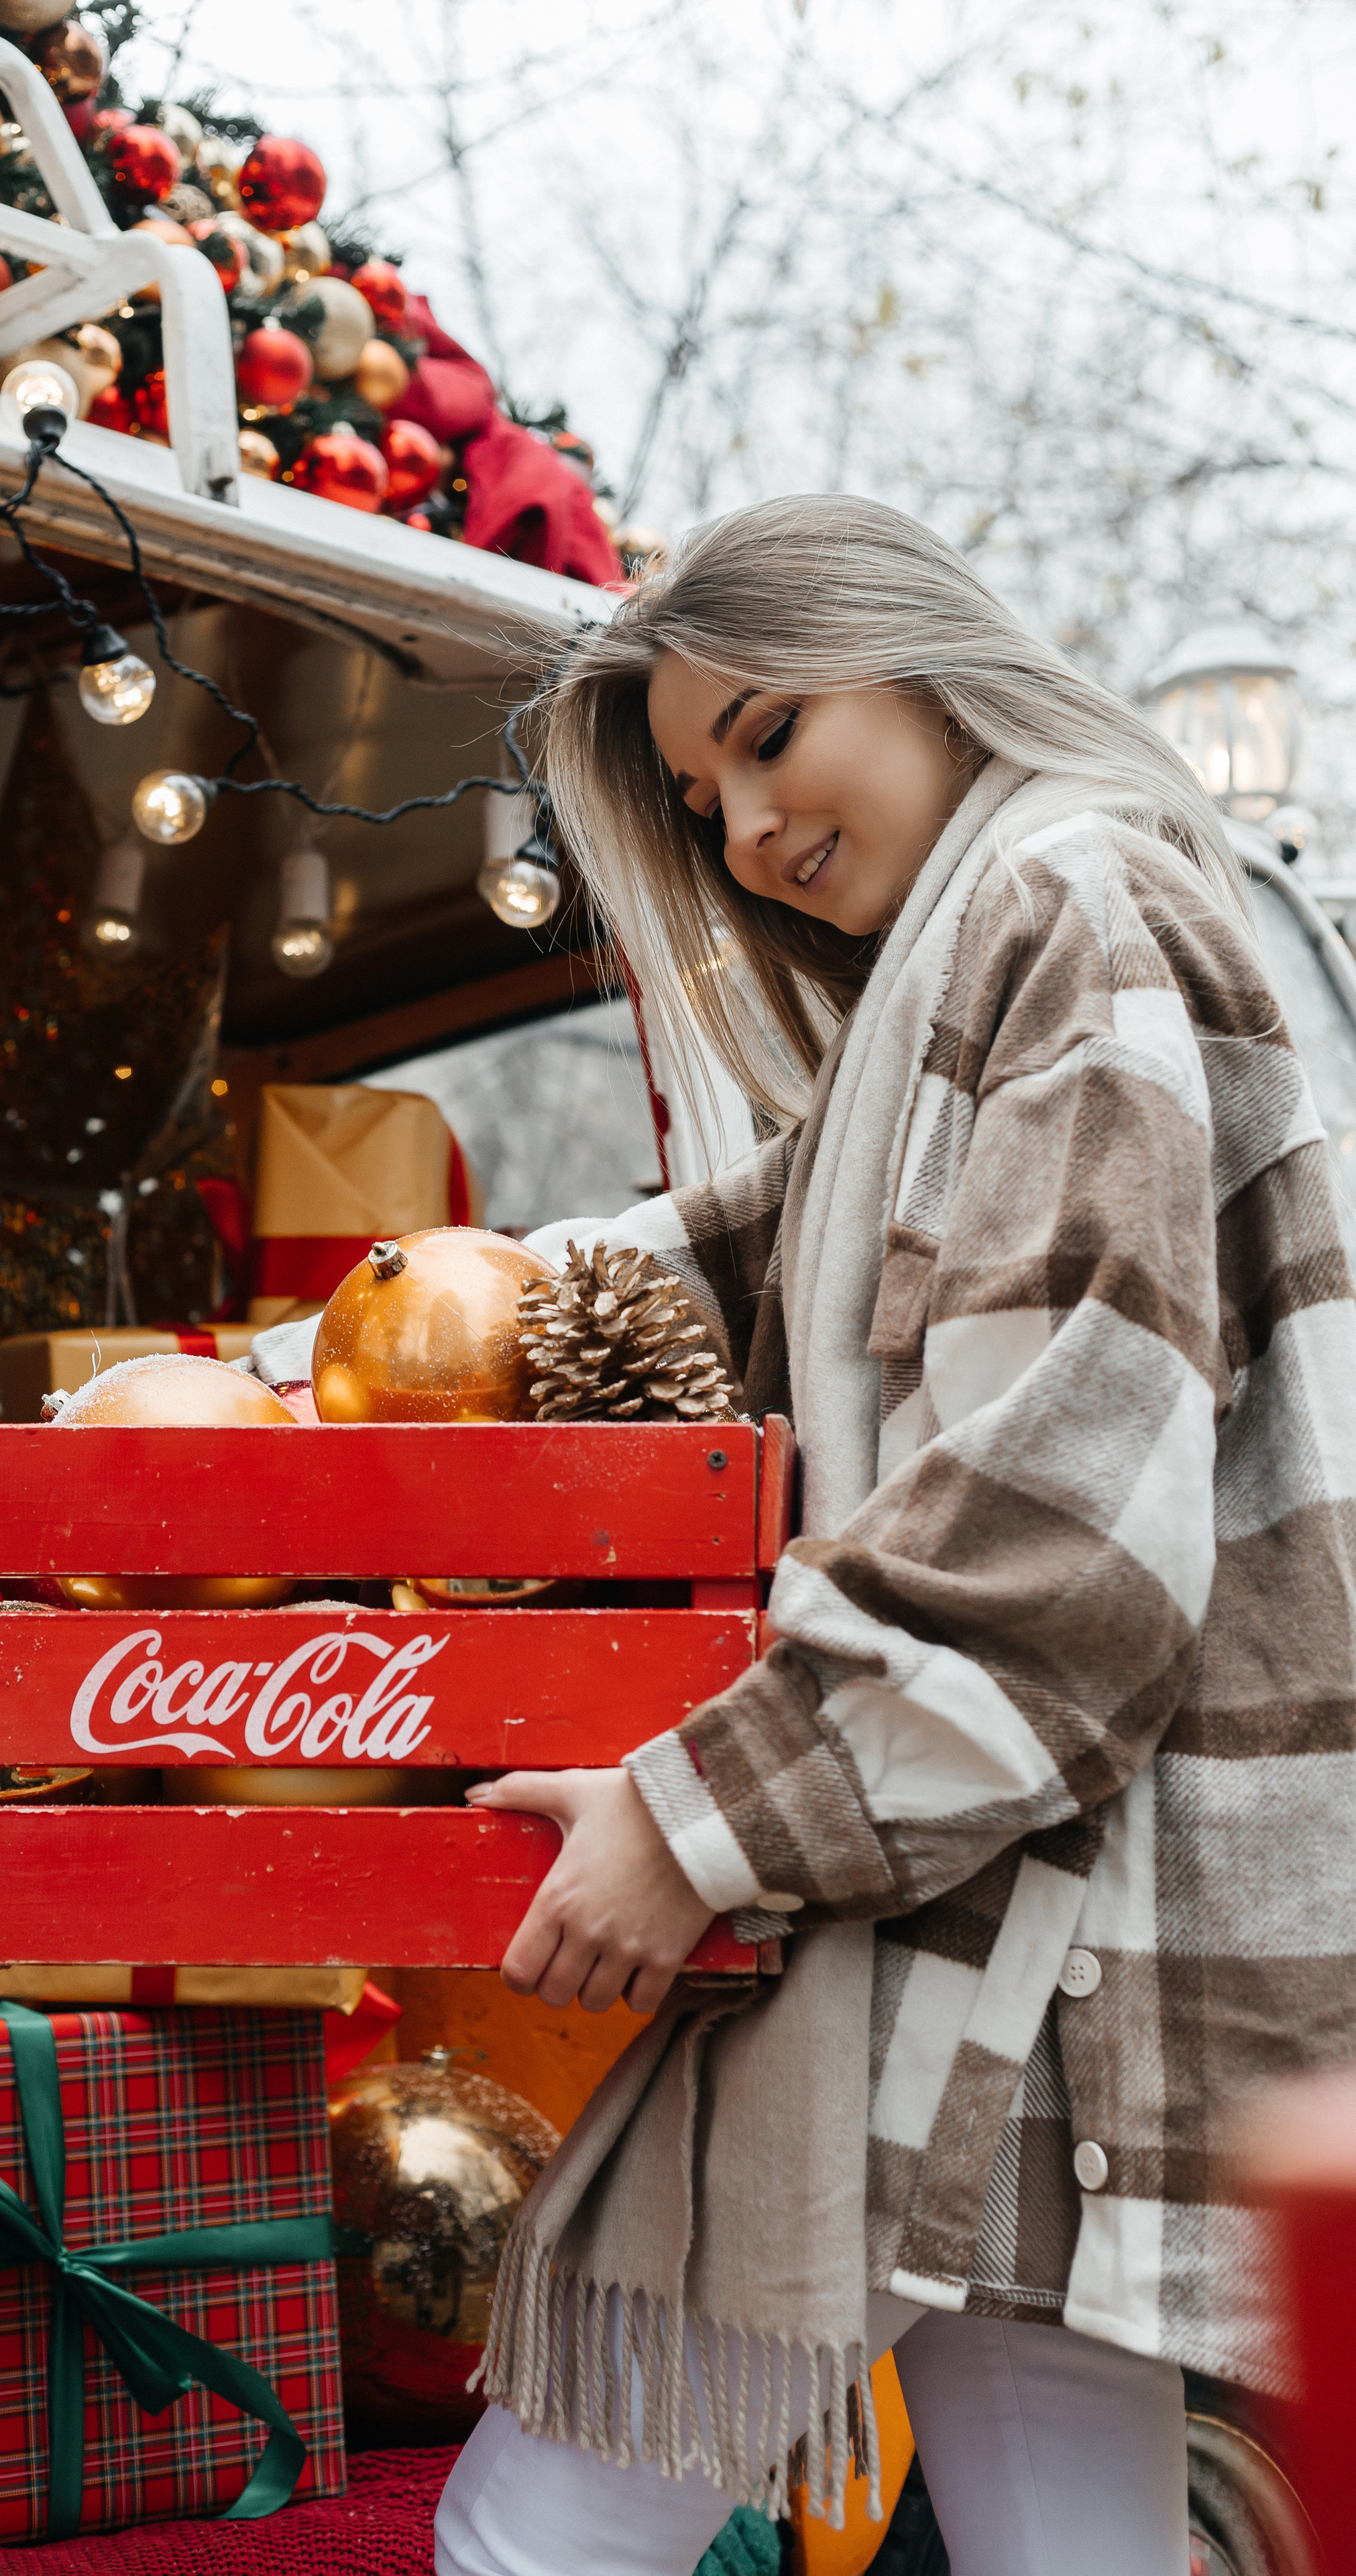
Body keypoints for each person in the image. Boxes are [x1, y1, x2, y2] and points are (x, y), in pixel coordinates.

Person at [410, 497, 1356, 2576]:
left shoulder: (1071, 904)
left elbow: (1061, 1537)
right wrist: (386, 1337)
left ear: (920, 658)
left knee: (534, 2546)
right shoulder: (989, 957)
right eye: (702, 800)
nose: (748, 829)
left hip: (999, 1936)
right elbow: (735, 1257)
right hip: (1061, 1950)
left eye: (769, 733)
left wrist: (696, 1825)